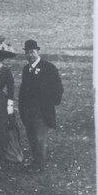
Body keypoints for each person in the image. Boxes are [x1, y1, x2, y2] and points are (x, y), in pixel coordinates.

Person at [19, 39, 64, 171]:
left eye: (32, 52)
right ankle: (35, 161)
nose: (30, 55)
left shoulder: (48, 68)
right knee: (31, 136)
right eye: (27, 53)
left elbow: (58, 88)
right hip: (28, 109)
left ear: (38, 51)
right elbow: (23, 90)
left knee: (39, 137)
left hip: (42, 110)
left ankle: (39, 164)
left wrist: (50, 102)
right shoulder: (26, 69)